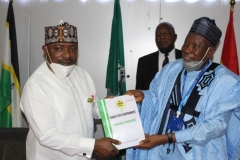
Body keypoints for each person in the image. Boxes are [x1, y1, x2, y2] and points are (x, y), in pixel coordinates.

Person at [125, 17, 240, 160]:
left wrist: (167, 138)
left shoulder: (227, 82)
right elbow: (156, 96)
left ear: (209, 51)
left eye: (195, 46)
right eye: (186, 43)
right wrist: (143, 96)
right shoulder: (171, 69)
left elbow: (215, 126)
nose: (186, 50)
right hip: (160, 152)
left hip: (200, 153)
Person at [20, 22, 120, 160]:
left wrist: (108, 106)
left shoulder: (82, 74)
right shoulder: (36, 86)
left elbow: (91, 107)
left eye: (73, 49)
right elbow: (46, 135)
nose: (67, 55)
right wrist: (92, 146)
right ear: (45, 50)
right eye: (58, 49)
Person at [136, 22, 182, 90]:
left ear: (175, 37)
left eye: (166, 33)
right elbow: (140, 92)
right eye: (158, 34)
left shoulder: (185, 58)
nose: (162, 37)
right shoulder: (144, 62)